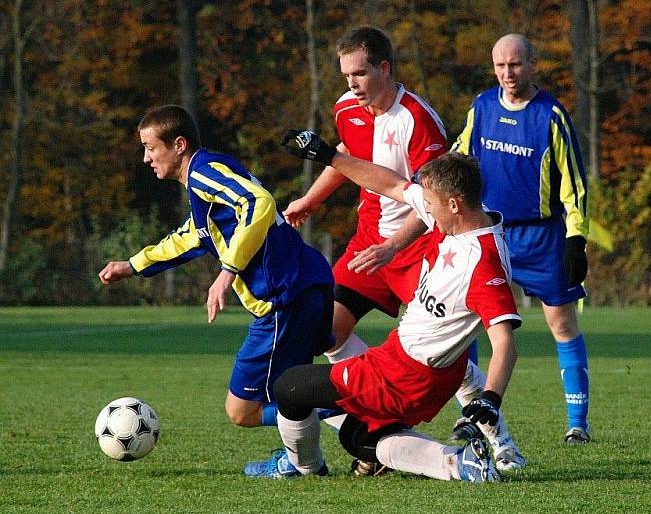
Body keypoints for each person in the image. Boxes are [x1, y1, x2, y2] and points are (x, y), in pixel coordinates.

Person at [284, 25, 526, 469]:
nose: (351, 84)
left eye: (359, 74)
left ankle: (497, 437)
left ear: (384, 68)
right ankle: (379, 416)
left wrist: (394, 246)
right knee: (326, 331)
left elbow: (433, 198)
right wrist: (311, 197)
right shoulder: (345, 109)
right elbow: (368, 168)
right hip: (368, 241)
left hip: (414, 247)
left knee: (438, 343)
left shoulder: (418, 119)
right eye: (345, 76)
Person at [241, 130, 522, 482]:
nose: (425, 209)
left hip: (407, 375)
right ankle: (457, 462)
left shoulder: (483, 263)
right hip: (412, 364)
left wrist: (491, 398)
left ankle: (304, 469)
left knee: (290, 386)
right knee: (358, 437)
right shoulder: (461, 219)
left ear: (454, 204)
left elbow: (505, 343)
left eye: (431, 203)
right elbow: (390, 185)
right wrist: (330, 155)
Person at [98, 105, 335, 469]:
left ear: (178, 145)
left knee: (242, 410)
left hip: (282, 300)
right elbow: (191, 237)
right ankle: (307, 459)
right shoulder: (204, 183)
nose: (146, 158)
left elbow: (259, 202)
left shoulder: (204, 172)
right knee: (293, 391)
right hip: (301, 290)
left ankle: (355, 409)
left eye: (150, 147)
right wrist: (132, 265)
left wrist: (227, 271)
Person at [452, 33, 592, 443]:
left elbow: (575, 183)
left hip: (542, 236)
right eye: (499, 65)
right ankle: (474, 419)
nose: (507, 74)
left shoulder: (551, 115)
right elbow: (460, 157)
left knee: (561, 323)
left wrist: (576, 238)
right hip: (491, 232)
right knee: (473, 321)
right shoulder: (481, 107)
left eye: (514, 65)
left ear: (533, 64)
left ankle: (577, 423)